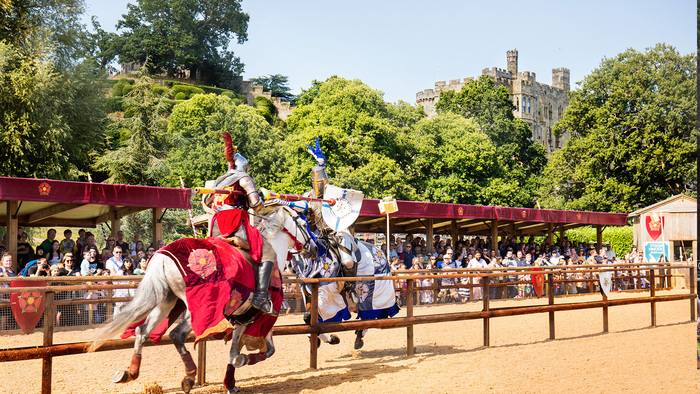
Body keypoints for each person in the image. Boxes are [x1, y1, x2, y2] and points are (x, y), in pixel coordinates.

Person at [203, 132, 276, 315]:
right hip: (235, 225)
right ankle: (260, 296)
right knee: (267, 252)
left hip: (216, 226)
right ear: (243, 166)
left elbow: (206, 203)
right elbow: (257, 206)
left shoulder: (218, 181)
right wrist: (261, 198)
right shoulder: (243, 178)